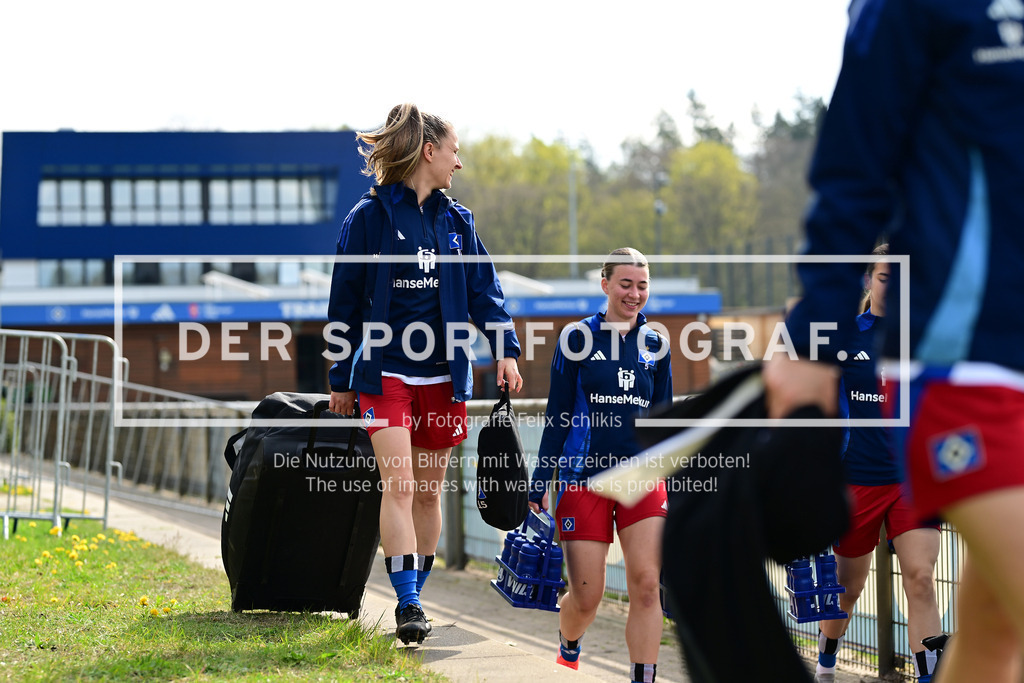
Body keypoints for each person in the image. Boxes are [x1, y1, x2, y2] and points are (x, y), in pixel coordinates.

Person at [764, 3, 1024, 681]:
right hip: (963, 363)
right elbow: (855, 168)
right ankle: (823, 657)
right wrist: (815, 338)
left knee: (994, 637)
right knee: (866, 590)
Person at [326, 103, 523, 645]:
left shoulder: (458, 223)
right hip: (383, 374)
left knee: (430, 496)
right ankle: (408, 604)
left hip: (442, 377)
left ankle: (414, 590)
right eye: (455, 150)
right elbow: (343, 305)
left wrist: (504, 348)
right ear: (429, 151)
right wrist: (341, 377)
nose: (459, 163)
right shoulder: (366, 219)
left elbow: (486, 292)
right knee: (400, 484)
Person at [529, 247, 672, 683]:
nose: (634, 294)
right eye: (625, 284)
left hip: (642, 481)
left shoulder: (657, 343)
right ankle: (569, 640)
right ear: (605, 284)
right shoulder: (576, 339)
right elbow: (557, 416)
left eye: (642, 285)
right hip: (582, 481)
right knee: (586, 599)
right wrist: (540, 480)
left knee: (647, 587)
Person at [814, 245, 945, 683]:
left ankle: (930, 675)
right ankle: (827, 660)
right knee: (849, 590)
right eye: (886, 278)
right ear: (869, 280)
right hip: (856, 481)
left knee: (922, 578)